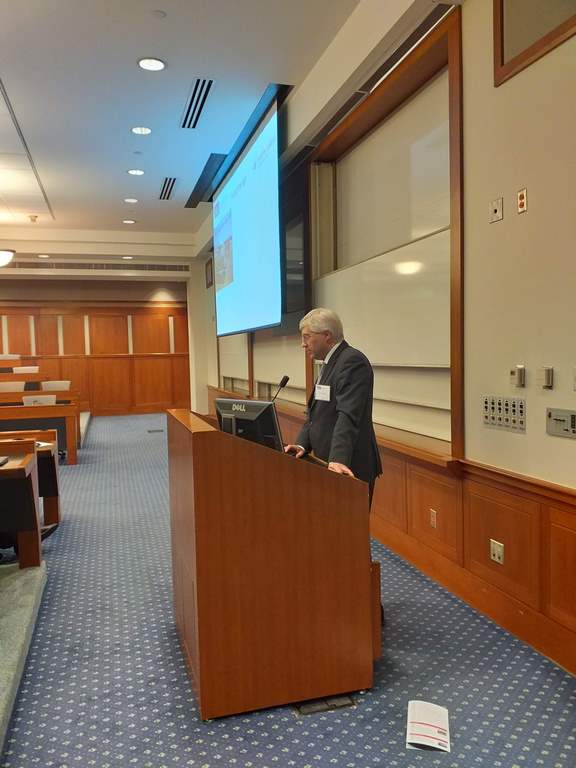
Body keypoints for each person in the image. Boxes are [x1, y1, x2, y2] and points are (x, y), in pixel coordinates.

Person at [284, 307, 382, 502]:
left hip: (349, 466)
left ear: (327, 335)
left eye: (307, 337)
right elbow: (315, 414)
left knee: (347, 522)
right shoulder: (330, 363)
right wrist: (302, 444)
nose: (303, 344)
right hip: (327, 463)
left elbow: (348, 415)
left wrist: (337, 459)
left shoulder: (352, 361)